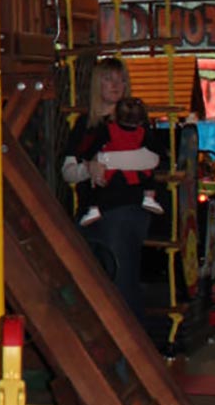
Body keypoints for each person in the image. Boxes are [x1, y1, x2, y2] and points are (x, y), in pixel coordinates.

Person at [61, 57, 165, 327]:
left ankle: (132, 351)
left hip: (125, 208)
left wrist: (106, 163)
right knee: (92, 279)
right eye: (109, 78)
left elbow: (153, 160)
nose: (116, 85)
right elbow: (68, 170)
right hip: (91, 209)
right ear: (98, 84)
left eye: (120, 79)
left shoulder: (134, 121)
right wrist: (88, 169)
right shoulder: (86, 124)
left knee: (122, 279)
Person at [73, 95, 164, 227]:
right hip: (136, 173)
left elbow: (95, 146)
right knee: (149, 175)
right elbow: (155, 147)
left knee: (95, 184)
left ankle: (94, 208)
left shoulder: (109, 130)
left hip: (111, 171)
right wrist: (164, 153)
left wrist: (87, 157)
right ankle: (149, 196)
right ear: (141, 120)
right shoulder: (142, 132)